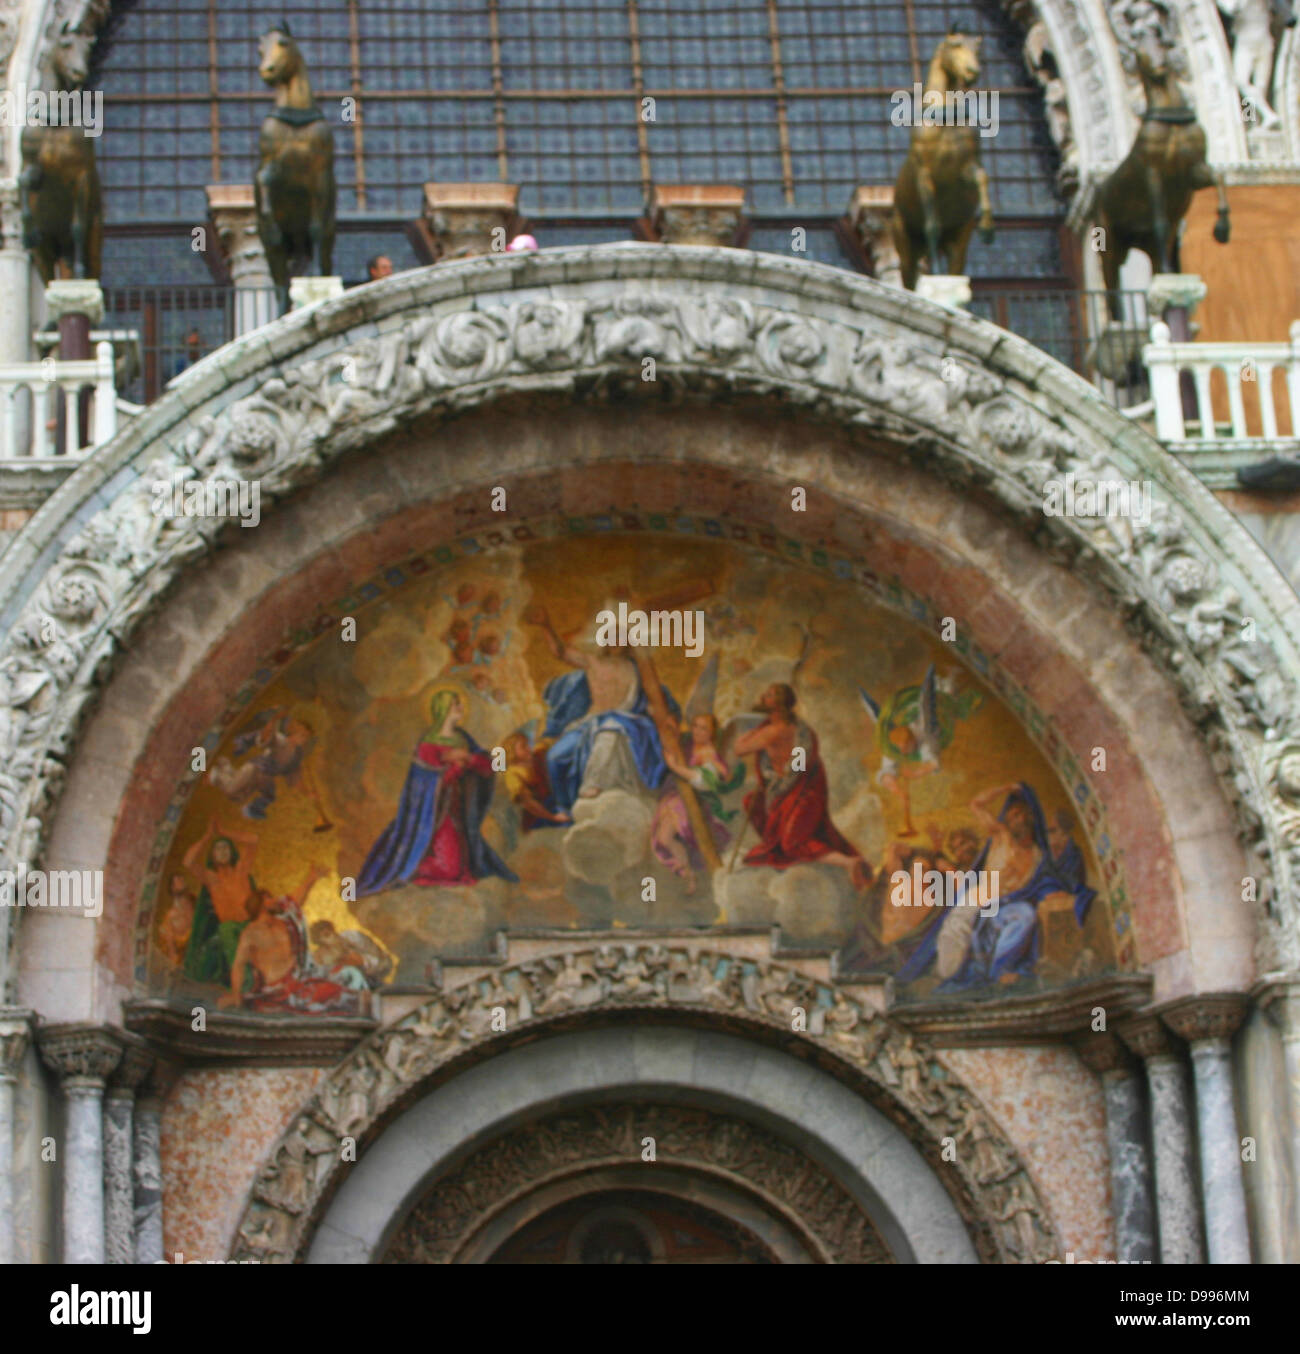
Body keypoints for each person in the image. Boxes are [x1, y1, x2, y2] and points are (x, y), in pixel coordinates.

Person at [357, 689, 517, 894]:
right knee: (451, 870)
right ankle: (412, 867)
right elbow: (425, 784)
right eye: (455, 704)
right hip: (432, 816)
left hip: (458, 811)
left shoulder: (463, 738)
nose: (461, 708)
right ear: (443, 710)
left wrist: (467, 758)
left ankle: (423, 862)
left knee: (462, 867)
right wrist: (457, 767)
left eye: (460, 703)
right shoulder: (427, 745)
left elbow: (489, 766)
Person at [526, 605, 678, 814]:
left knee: (609, 730)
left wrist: (667, 717)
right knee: (554, 757)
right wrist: (546, 625)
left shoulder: (638, 668)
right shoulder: (593, 661)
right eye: (611, 636)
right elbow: (560, 652)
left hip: (624, 721)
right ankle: (564, 808)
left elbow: (655, 699)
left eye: (621, 636)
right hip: (591, 721)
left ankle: (594, 784)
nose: (616, 641)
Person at [732, 683, 865, 877]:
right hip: (800, 789)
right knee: (753, 802)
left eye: (768, 695)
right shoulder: (799, 728)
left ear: (777, 704)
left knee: (792, 843)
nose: (762, 697)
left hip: (799, 794)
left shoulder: (772, 731)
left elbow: (739, 748)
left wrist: (757, 725)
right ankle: (784, 851)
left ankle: (847, 862)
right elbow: (800, 767)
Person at [653, 713, 743, 894]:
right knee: (664, 839)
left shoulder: (709, 753)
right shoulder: (690, 742)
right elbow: (676, 742)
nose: (697, 731)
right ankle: (688, 874)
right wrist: (673, 726)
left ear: (711, 733)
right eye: (695, 726)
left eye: (703, 728)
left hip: (693, 803)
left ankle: (691, 877)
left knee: (667, 837)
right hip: (675, 798)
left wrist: (676, 768)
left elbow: (703, 780)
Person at [180, 817, 260, 984]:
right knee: (226, 933)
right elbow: (188, 861)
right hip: (229, 928)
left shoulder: (241, 870)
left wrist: (224, 832)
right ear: (212, 855)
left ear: (232, 852)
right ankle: (244, 986)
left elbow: (254, 839)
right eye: (217, 849)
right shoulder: (212, 878)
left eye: (225, 847)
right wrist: (207, 837)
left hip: (250, 925)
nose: (222, 851)